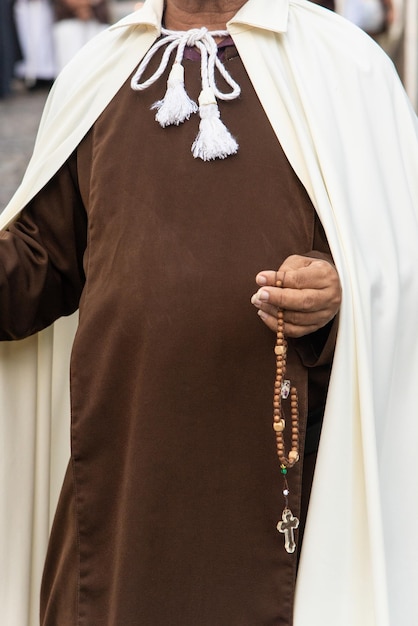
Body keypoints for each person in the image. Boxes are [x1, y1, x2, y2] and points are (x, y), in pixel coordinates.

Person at [0, 0, 417, 625]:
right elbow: (41, 261)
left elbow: (396, 264)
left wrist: (340, 289)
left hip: (280, 494)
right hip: (122, 485)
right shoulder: (103, 70)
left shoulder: (346, 66)